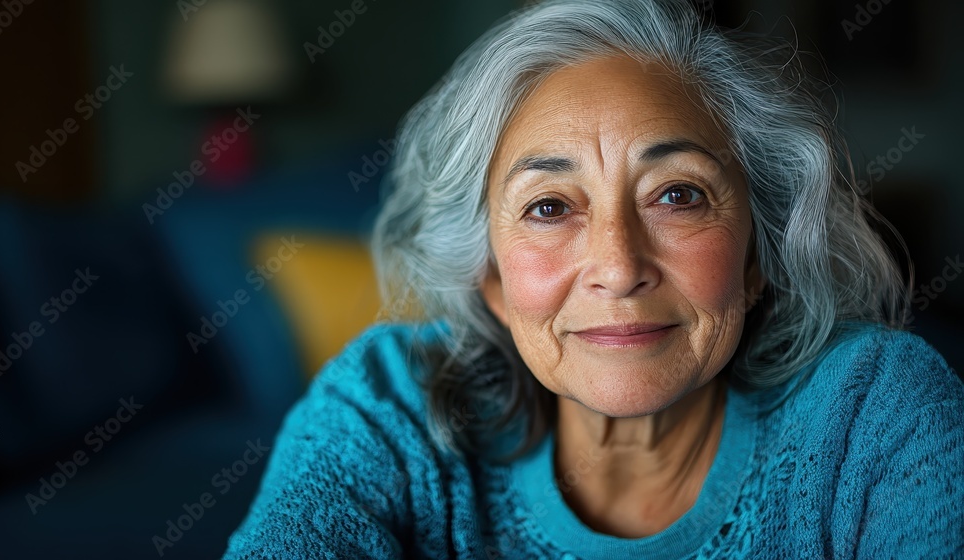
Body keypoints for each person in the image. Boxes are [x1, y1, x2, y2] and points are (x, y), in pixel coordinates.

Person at [224, 0, 964, 557]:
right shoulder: (386, 412)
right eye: (549, 207)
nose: (618, 266)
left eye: (678, 194)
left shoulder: (872, 410)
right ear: (489, 277)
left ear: (754, 255)